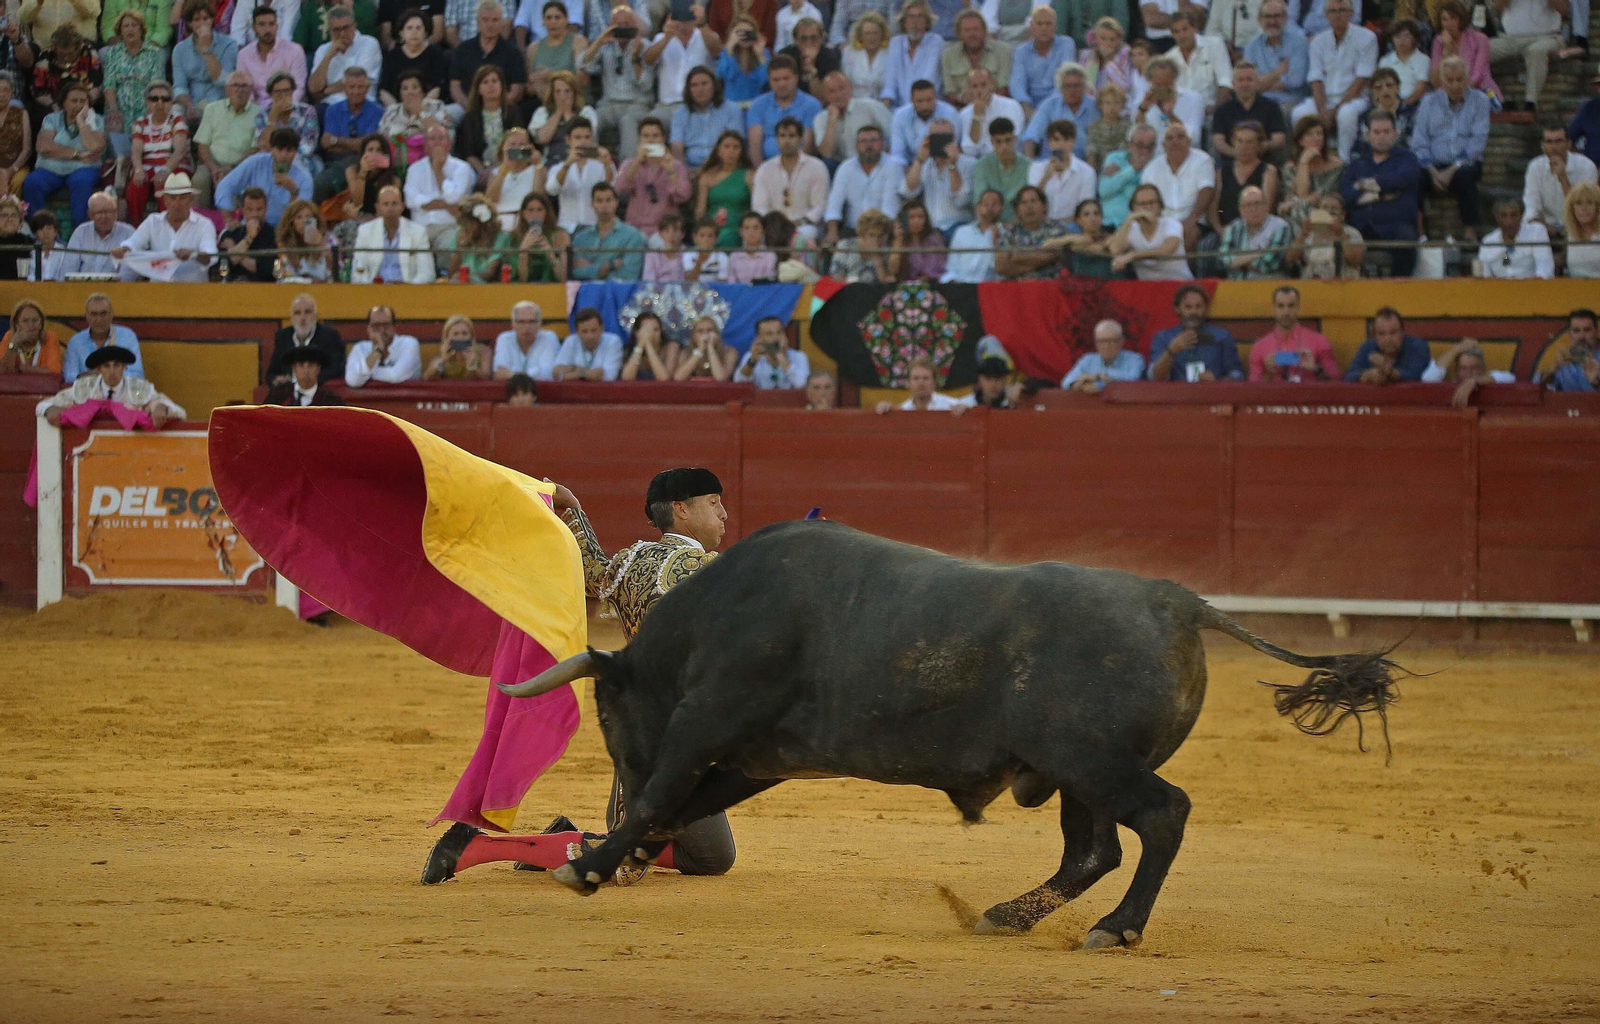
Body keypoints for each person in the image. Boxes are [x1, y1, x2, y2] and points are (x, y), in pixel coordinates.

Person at [420, 466, 736, 887]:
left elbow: (591, 568)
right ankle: (477, 846)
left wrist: (572, 509)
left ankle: (559, 840)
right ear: (681, 509)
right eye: (713, 503)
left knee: (712, 855)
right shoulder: (707, 569)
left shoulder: (631, 562)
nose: (723, 514)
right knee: (622, 859)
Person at [1408, 57, 1487, 235]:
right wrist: (1433, 171)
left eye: (1460, 79)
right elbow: (1419, 142)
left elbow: (1478, 142)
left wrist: (1452, 169)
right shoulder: (1428, 102)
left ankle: (1470, 232)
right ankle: (1419, 233)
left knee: (1466, 175)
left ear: (1467, 79)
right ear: (1442, 81)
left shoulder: (1480, 101)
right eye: (1450, 80)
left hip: (1465, 162)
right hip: (1432, 163)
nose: (1455, 85)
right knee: (1413, 178)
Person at [1290, 0, 1376, 161]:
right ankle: (1307, 160)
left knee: (1346, 114)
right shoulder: (1318, 41)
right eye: (1333, 11)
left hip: (1355, 99)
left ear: (1351, 14)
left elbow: (1363, 78)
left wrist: (1335, 110)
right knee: (1299, 113)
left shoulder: (1367, 38)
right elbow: (1316, 78)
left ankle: (1344, 161)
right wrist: (1323, 110)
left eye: (1342, 10)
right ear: (1327, 15)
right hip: (1324, 98)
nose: (1338, 15)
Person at [1340, 111, 1420, 278]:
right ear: (1368, 135)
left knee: (1407, 239)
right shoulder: (1357, 164)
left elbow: (1402, 178)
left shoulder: (1407, 159)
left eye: (1386, 131)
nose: (1381, 136)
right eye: (1376, 132)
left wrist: (1365, 185)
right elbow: (1345, 194)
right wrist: (1381, 194)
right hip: (1362, 226)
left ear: (1395, 133)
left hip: (1396, 226)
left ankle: (1399, 286)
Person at [38, 345, 185, 427]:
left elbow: (180, 412)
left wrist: (161, 408)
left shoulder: (139, 388)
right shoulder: (85, 388)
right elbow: (43, 405)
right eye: (106, 366)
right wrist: (50, 409)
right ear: (99, 369)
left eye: (117, 365)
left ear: (124, 367)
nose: (112, 371)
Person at [23, 81, 104, 226]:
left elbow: (94, 147)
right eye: (74, 101)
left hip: (83, 169)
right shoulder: (52, 119)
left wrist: (81, 122)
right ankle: (38, 229)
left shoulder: (96, 120)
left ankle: (78, 230)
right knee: (32, 183)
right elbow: (43, 147)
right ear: (63, 103)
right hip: (50, 169)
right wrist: (77, 154)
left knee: (81, 182)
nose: (79, 105)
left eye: (83, 101)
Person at [113, 172, 217, 282]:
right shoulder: (153, 221)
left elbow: (211, 255)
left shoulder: (204, 224)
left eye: (183, 198)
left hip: (193, 290)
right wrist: (124, 249)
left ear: (191, 199)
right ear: (165, 200)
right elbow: (134, 242)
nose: (177, 203)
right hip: (158, 289)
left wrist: (193, 254)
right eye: (172, 198)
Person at [580, 7, 655, 160]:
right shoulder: (604, 45)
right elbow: (584, 65)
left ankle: (627, 168)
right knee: (590, 120)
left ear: (634, 26)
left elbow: (646, 85)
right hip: (608, 104)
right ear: (610, 26)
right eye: (618, 25)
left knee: (628, 122)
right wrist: (599, 42)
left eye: (626, 24)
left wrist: (635, 58)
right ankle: (587, 163)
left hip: (637, 104)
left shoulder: (645, 46)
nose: (622, 28)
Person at [100, 9, 166, 165]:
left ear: (142, 29)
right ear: (120, 31)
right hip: (119, 107)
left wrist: (151, 112)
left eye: (134, 25)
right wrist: (113, 109)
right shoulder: (113, 53)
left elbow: (158, 86)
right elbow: (109, 84)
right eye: (126, 26)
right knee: (112, 125)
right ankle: (119, 166)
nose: (130, 29)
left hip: (146, 108)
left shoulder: (154, 53)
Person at [642, 3, 722, 127]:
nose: (683, 24)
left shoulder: (706, 35)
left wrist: (702, 24)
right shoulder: (661, 38)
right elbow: (648, 60)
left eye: (687, 20)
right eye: (679, 19)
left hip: (698, 105)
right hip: (666, 106)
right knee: (649, 126)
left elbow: (717, 52)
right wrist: (667, 37)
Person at [215, 126, 314, 225]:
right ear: (271, 149)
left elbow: (303, 217)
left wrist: (293, 191)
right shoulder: (256, 162)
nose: (283, 155)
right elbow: (225, 186)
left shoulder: (305, 178)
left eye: (288, 150)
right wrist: (228, 219)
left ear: (295, 152)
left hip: (283, 229)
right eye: (279, 149)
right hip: (252, 225)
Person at [751, 116, 829, 239]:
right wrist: (776, 224)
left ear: (800, 139)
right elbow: (759, 207)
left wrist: (798, 223)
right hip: (773, 226)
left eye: (792, 136)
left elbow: (820, 207)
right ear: (776, 139)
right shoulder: (765, 169)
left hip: (805, 226)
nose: (786, 141)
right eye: (782, 136)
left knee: (803, 236)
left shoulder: (817, 167)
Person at [823, 124, 903, 243]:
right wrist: (832, 232)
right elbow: (834, 204)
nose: (868, 145)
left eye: (873, 140)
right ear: (856, 146)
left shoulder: (893, 166)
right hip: (852, 230)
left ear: (882, 144)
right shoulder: (846, 167)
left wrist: (877, 237)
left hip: (883, 230)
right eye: (863, 141)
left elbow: (890, 208)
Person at [615, 117, 692, 238]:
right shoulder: (629, 163)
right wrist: (636, 162)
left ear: (664, 138)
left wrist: (670, 171)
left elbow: (684, 196)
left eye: (656, 136)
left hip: (665, 230)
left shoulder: (676, 165)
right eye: (646, 136)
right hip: (635, 228)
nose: (651, 140)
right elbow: (619, 188)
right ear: (639, 139)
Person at [193, 71, 261, 208]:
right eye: (235, 85)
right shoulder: (212, 109)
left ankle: (230, 220)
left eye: (244, 86)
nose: (240, 90)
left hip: (242, 166)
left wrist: (233, 169)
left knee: (234, 183)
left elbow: (255, 149)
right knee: (200, 179)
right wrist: (214, 168)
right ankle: (197, 217)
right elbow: (203, 144)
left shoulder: (259, 113)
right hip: (211, 164)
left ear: (250, 90)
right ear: (226, 90)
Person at [1140, 122, 1214, 248]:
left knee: (1190, 234)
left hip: (1194, 219)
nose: (1175, 141)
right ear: (1163, 145)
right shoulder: (1152, 168)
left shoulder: (1202, 160)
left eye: (1180, 137)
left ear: (1189, 141)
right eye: (1170, 138)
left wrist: (1192, 219)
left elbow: (1207, 190)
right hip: (1161, 222)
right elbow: (1145, 198)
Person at [1147, 284, 1241, 381]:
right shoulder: (1163, 338)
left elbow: (1237, 375)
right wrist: (1171, 351)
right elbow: (1154, 377)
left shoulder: (1222, 336)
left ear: (1205, 308)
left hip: (1211, 389)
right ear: (1177, 309)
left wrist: (1217, 381)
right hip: (1177, 390)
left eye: (1198, 306)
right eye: (1188, 307)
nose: (1194, 312)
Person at [448, 0, 528, 114]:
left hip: (502, 109)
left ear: (501, 22)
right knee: (447, 114)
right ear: (477, 21)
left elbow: (517, 91)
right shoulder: (463, 50)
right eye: (485, 20)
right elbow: (455, 86)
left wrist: (493, 107)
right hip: (466, 108)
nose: (490, 25)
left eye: (495, 20)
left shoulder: (513, 52)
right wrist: (470, 107)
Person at [314, 67, 380, 198]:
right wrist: (356, 144)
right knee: (319, 184)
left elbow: (367, 145)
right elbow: (326, 143)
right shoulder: (332, 110)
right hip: (335, 162)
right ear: (344, 89)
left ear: (367, 89)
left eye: (360, 87)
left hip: (364, 161)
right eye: (352, 87)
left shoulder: (377, 111)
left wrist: (337, 141)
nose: (356, 91)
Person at [452, 64, 522, 188]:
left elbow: (520, 147)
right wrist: (482, 170)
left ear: (501, 85)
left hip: (509, 164)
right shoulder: (470, 117)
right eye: (485, 82)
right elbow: (468, 152)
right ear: (478, 89)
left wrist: (498, 167)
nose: (491, 85)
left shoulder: (513, 112)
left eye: (495, 81)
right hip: (479, 169)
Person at [350, 182, 437, 282]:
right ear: (377, 208)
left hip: (406, 288)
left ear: (402, 206)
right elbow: (358, 271)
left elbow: (427, 273)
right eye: (385, 204)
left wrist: (409, 288)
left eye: (394, 203)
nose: (390, 209)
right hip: (375, 288)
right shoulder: (365, 231)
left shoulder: (418, 232)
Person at [1249, 285, 1338, 381]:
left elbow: (1336, 381)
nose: (1286, 312)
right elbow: (1252, 387)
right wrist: (1268, 374)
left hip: (1308, 390)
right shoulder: (1259, 347)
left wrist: (1316, 369)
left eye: (1291, 306)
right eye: (1280, 306)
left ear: (1298, 308)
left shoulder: (1320, 342)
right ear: (1274, 309)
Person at [1488, 0, 1563, 114]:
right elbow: (1497, 7)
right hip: (1510, 38)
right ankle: (1486, 99)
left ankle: (1530, 103)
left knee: (1536, 51)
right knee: (1482, 49)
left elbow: (1564, 8)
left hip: (1546, 36)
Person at [1523, 125, 1598, 232]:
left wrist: (1562, 177)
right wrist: (1549, 230)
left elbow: (1585, 208)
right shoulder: (1535, 167)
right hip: (1546, 228)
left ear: (1568, 144)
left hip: (1580, 226)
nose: (1554, 147)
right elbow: (1532, 208)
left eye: (1558, 141)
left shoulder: (1586, 166)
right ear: (1542, 145)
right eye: (1549, 142)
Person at [1110, 181, 1191, 279]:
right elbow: (1115, 249)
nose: (1148, 207)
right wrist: (1128, 220)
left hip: (1178, 283)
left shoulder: (1171, 224)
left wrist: (1132, 256)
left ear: (1160, 205)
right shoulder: (1131, 228)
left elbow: (1166, 250)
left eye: (1152, 202)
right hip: (1147, 285)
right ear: (1133, 207)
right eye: (1142, 204)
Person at [305, 6, 381, 106]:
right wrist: (328, 56)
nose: (342, 34)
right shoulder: (323, 50)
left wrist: (325, 91)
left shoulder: (369, 43)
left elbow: (356, 81)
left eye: (346, 28)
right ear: (330, 31)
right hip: (330, 104)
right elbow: (314, 88)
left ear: (354, 25)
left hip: (362, 103)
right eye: (337, 30)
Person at [812, 70, 889, 167]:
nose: (838, 95)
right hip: (840, 166)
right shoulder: (820, 118)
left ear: (850, 88)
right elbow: (826, 153)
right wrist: (832, 120)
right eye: (832, 91)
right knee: (827, 163)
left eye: (842, 89)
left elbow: (893, 133)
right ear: (825, 96)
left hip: (872, 160)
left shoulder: (870, 106)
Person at [569, 181, 645, 281]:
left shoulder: (632, 235)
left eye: (608, 200)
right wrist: (610, 266)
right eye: (599, 201)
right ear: (592, 204)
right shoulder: (580, 238)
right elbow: (576, 272)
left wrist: (592, 269)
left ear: (616, 203)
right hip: (586, 290)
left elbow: (629, 275)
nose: (604, 206)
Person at [1430, 1, 1500, 108]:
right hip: (1449, 96)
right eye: (1444, 19)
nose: (1449, 23)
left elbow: (1477, 76)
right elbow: (1434, 80)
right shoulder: (1438, 41)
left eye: (1453, 18)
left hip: (1480, 91)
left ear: (1461, 19)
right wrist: (1446, 52)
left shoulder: (1480, 39)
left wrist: (1457, 95)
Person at [671, 65, 743, 168]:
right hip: (690, 168)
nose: (700, 89)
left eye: (704, 84)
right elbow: (677, 146)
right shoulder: (680, 113)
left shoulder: (732, 109)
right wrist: (683, 171)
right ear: (688, 89)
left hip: (723, 167)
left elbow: (735, 144)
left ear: (714, 86)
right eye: (694, 85)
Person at [1211, 62, 1287, 160]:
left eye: (1249, 79)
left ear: (1257, 82)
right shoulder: (1222, 110)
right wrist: (1239, 154)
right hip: (1231, 163)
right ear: (1233, 84)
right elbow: (1218, 142)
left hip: (1264, 162)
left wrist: (1261, 147)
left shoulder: (1272, 107)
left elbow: (1279, 139)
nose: (1245, 84)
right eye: (1240, 80)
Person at [1010, 7, 1075, 117]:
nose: (1044, 28)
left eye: (1048, 24)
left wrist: (1044, 110)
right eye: (1039, 24)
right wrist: (1026, 107)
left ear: (1055, 26)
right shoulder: (1021, 51)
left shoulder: (1066, 44)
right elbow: (1017, 84)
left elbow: (1065, 79)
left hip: (1059, 103)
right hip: (1028, 106)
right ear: (1031, 26)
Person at [1243, 0, 1309, 110]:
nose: (1272, 21)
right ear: (1259, 20)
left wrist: (1262, 83)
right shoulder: (1251, 47)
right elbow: (1249, 85)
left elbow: (1296, 81)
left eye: (1277, 16)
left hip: (1291, 102)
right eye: (1268, 16)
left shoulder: (1299, 43)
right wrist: (1278, 72)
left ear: (1285, 18)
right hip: (1260, 103)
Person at [994, 184, 1069, 278]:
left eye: (1033, 201)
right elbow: (999, 267)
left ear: (1044, 206)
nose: (1029, 206)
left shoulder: (1056, 227)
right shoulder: (1010, 232)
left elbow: (1050, 255)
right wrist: (1038, 260)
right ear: (1017, 210)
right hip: (1019, 286)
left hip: (1051, 284)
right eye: (1024, 203)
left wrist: (1015, 257)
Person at [267, 292, 345, 383]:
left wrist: (303, 380)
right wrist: (277, 379)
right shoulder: (283, 336)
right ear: (292, 318)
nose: (302, 318)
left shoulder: (330, 336)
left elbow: (337, 369)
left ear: (316, 316)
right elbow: (271, 373)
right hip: (289, 390)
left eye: (307, 312)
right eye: (297, 313)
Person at [254, 70, 321, 175]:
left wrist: (285, 156)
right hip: (271, 158)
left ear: (293, 91)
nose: (283, 96)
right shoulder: (262, 115)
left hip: (300, 158)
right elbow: (263, 146)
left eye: (287, 91)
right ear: (271, 94)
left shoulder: (307, 111)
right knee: (258, 164)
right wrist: (273, 117)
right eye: (278, 92)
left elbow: (308, 146)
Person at [1213, 121, 1278, 229]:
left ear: (1259, 145)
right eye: (1240, 141)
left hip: (1256, 230)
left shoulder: (1268, 171)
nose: (1244, 147)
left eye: (1250, 142)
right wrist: (1220, 229)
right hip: (1224, 230)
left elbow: (1266, 207)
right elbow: (1213, 207)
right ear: (1233, 143)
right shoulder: (1221, 172)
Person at [64, 294, 144, 382]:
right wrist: (91, 375)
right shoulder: (76, 341)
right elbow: (69, 376)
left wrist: (104, 374)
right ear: (86, 316)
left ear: (111, 315)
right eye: (94, 314)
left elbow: (137, 375)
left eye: (103, 314)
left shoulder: (127, 336)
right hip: (88, 389)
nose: (99, 319)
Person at [1128, 56, 1205, 147]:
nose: (1163, 89)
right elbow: (1135, 139)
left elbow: (1193, 139)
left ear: (1174, 79)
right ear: (1149, 80)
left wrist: (1170, 114)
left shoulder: (1193, 99)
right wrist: (1143, 110)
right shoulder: (1140, 103)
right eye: (1158, 85)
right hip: (1153, 154)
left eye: (1167, 84)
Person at [1023, 62, 1094, 160]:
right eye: (1067, 86)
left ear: (1085, 87)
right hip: (1051, 162)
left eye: (1076, 85)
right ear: (1060, 88)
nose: (1072, 90)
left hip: (1084, 164)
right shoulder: (1049, 105)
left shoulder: (1095, 106)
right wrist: (1030, 165)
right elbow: (1031, 137)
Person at [237, 6, 306, 105]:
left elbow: (299, 88)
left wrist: (281, 107)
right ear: (254, 27)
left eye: (271, 24)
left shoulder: (294, 51)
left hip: (289, 106)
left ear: (277, 26)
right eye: (262, 24)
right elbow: (246, 89)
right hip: (257, 109)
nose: (267, 29)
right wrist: (255, 109)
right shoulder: (244, 55)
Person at [1217, 185, 1290, 278]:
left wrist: (1238, 261)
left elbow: (1270, 264)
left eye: (1257, 203)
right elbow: (1222, 260)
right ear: (1241, 210)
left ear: (1266, 206)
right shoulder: (1232, 228)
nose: (1254, 209)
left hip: (1268, 281)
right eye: (1248, 205)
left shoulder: (1280, 227)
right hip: (1235, 283)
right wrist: (1256, 254)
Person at [940, 8, 1009, 107]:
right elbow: (949, 93)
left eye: (976, 29)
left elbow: (1004, 89)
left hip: (996, 106)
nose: (972, 34)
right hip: (962, 108)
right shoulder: (948, 55)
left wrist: (986, 102)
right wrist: (963, 100)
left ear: (984, 30)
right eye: (967, 30)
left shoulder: (1003, 51)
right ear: (959, 33)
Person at [1165, 11, 1231, 114]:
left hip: (1212, 113)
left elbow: (1225, 81)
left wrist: (1215, 110)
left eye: (1185, 29)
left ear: (1195, 28)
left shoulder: (1214, 45)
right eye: (1176, 32)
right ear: (1172, 34)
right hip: (1181, 115)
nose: (1182, 35)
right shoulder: (1169, 58)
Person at [1344, 305, 1430, 382]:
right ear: (1375, 336)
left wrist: (1389, 372)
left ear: (1402, 332)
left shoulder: (1418, 346)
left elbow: (1417, 375)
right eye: (1381, 334)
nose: (1388, 339)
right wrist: (1368, 375)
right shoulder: (1367, 348)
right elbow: (1349, 376)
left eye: (1393, 332)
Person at [879, 0, 941, 108]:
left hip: (926, 105)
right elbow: (890, 82)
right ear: (904, 22)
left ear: (927, 21)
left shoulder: (936, 41)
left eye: (920, 17)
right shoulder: (895, 42)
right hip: (897, 107)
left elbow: (929, 79)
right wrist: (885, 106)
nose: (915, 22)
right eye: (911, 17)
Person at [1288, 191, 1364, 278]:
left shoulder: (1351, 232)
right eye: (1325, 207)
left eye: (1334, 208)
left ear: (1342, 214)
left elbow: (1356, 261)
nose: (1329, 211)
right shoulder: (1310, 233)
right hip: (1311, 283)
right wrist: (1303, 234)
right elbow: (1290, 259)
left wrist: (1341, 234)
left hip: (1344, 282)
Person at [380, 8, 450, 102]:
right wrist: (396, 108)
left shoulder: (435, 54)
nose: (414, 32)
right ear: (401, 33)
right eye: (409, 28)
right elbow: (384, 90)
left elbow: (437, 88)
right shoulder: (392, 56)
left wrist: (419, 108)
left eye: (418, 28)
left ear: (425, 33)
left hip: (428, 105)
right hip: (398, 106)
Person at [1421, 338, 1514, 406]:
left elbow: (1510, 377)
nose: (1469, 373)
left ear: (1483, 368)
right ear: (1457, 370)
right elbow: (1428, 379)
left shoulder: (1488, 380)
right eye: (1463, 368)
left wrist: (1475, 382)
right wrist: (1456, 350)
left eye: (1474, 368)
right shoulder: (1452, 383)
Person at [345, 304, 423, 386]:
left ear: (394, 327)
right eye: (376, 325)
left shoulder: (409, 343)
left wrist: (364, 373)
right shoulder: (360, 348)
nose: (382, 330)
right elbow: (353, 381)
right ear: (368, 328)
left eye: (386, 325)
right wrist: (378, 350)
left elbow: (395, 376)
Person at [524, 1, 588, 101]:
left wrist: (552, 76)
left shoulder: (578, 42)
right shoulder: (533, 48)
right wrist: (537, 88)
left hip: (572, 100)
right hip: (542, 101)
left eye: (557, 18)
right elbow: (529, 87)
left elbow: (583, 81)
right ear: (543, 21)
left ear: (566, 19)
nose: (553, 22)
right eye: (548, 18)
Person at [1476, 197, 1554, 279]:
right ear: (1497, 217)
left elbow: (1545, 269)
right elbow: (1484, 276)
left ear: (1521, 216)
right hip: (1499, 286)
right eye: (1504, 216)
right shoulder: (1488, 242)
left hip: (1531, 285)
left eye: (1514, 215)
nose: (1509, 221)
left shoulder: (1536, 232)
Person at [969, 117, 1029, 222]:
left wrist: (1011, 226)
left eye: (1008, 140)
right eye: (999, 141)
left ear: (1015, 139)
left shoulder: (1028, 165)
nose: (1004, 146)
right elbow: (979, 203)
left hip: (1021, 223)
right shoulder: (982, 165)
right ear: (992, 142)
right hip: (990, 223)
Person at [379, 69, 450, 158]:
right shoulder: (392, 111)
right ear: (400, 93)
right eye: (405, 88)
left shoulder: (436, 106)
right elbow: (382, 139)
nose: (410, 92)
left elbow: (440, 133)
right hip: (397, 160)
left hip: (430, 158)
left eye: (415, 87)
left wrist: (420, 111)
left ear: (422, 91)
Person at [1097, 122, 1157, 227]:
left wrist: (1120, 177)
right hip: (1108, 223)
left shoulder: (1156, 165)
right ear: (1129, 144)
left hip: (1138, 225)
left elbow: (1139, 199)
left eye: (1150, 146)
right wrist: (1133, 169)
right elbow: (1104, 191)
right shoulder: (1114, 158)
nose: (1145, 151)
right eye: (1140, 145)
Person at [956, 67, 1022, 159]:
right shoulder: (964, 114)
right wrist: (976, 116)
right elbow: (969, 149)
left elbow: (1013, 140)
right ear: (969, 90)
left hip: (1008, 157)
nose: (979, 90)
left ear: (992, 85)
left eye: (983, 85)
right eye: (974, 86)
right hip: (978, 161)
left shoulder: (1011, 106)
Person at [1352, 67, 1416, 161]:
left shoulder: (1411, 113)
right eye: (1379, 87)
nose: (1385, 90)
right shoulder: (1365, 117)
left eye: (1389, 85)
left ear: (1397, 88)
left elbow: (1413, 145)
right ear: (1373, 92)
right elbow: (1359, 148)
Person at [1063, 320, 1145, 391]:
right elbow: (1066, 382)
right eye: (1102, 341)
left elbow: (1132, 380)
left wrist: (1098, 379)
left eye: (1112, 341)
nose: (1106, 346)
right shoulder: (1087, 359)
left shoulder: (1135, 359)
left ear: (1121, 341)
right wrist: (1080, 385)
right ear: (1095, 343)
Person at [889, 78, 956, 166]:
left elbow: (953, 148)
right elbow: (898, 153)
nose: (925, 106)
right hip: (910, 166)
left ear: (935, 97)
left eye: (929, 100)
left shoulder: (950, 113)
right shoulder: (900, 116)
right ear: (911, 100)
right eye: (919, 101)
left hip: (943, 164)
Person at [942, 186, 1002, 281]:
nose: (990, 208)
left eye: (994, 204)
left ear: (1002, 207)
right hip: (961, 284)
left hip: (991, 285)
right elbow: (952, 266)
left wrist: (996, 242)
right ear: (978, 207)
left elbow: (1000, 269)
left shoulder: (1006, 232)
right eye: (986, 204)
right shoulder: (962, 232)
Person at [219, 186, 278, 280]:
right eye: (249, 209)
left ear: (266, 209)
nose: (255, 214)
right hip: (234, 285)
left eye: (259, 209)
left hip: (264, 286)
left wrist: (233, 249)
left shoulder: (276, 235)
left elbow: (267, 270)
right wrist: (249, 237)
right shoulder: (230, 234)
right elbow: (224, 267)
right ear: (242, 209)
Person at [509, 191, 570, 281]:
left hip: (552, 286)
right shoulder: (513, 237)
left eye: (539, 210)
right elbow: (521, 280)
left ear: (546, 212)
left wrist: (551, 255)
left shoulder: (560, 235)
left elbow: (563, 278)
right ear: (524, 213)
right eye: (531, 210)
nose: (535, 215)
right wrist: (523, 252)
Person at [492, 300, 561, 379]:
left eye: (532, 322)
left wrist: (513, 375)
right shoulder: (505, 339)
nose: (527, 327)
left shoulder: (549, 338)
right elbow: (499, 373)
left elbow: (547, 372)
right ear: (513, 324)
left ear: (539, 323)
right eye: (521, 322)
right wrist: (531, 374)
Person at [735, 315, 808, 388]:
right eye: (769, 334)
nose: (776, 338)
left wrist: (781, 356)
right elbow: (739, 383)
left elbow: (803, 384)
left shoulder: (799, 356)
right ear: (759, 338)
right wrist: (752, 362)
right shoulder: (751, 357)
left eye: (779, 332)